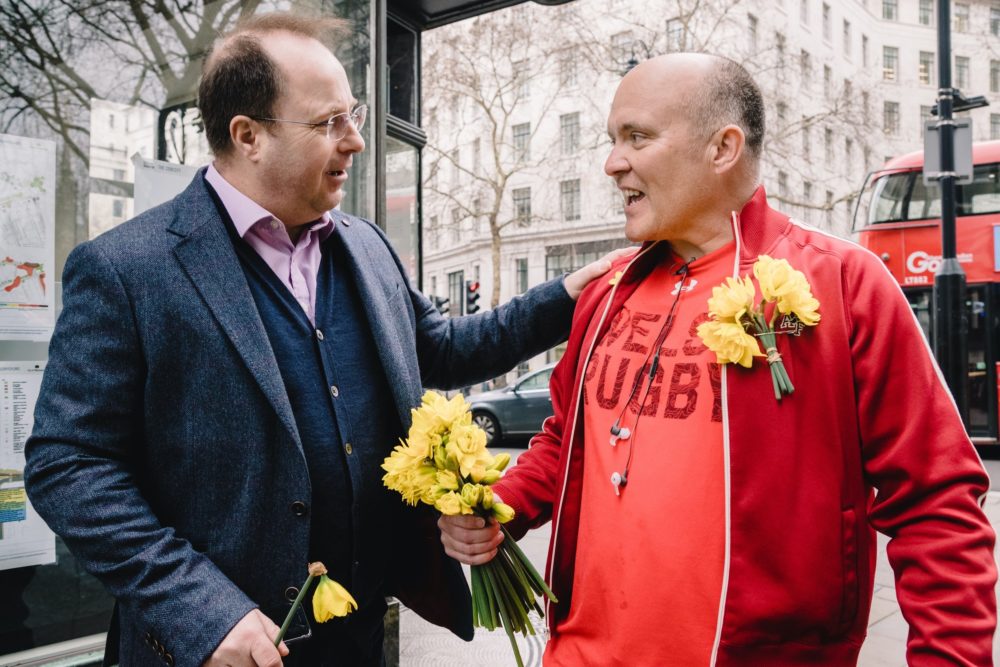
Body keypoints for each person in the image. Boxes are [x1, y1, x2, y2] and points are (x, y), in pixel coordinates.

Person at [23, 12, 617, 667]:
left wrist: (567, 296)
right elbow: (68, 465)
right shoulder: (126, 268)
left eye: (353, 113)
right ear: (248, 135)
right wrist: (202, 609)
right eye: (329, 121)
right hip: (220, 651)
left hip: (360, 639)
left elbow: (443, 349)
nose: (357, 140)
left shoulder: (364, 244)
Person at [439, 53, 997, 666]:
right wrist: (502, 505)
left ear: (723, 147)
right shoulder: (602, 291)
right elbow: (566, 440)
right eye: (611, 139)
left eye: (637, 137)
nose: (611, 162)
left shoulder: (843, 283)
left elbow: (937, 506)